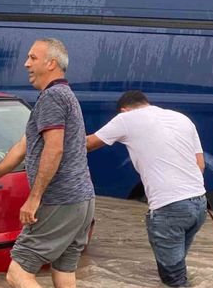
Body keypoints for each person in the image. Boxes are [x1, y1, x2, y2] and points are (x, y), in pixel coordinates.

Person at [0, 39, 95, 288]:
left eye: (33, 58)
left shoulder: (52, 98)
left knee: (18, 274)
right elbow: (21, 148)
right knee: (63, 271)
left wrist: (34, 198)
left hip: (58, 201)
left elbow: (54, 149)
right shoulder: (65, 95)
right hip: (82, 201)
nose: (26, 64)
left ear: (51, 63)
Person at [86, 90, 206, 287]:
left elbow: (88, 144)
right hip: (199, 204)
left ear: (124, 110)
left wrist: (52, 143)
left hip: (169, 208)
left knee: (174, 280)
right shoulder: (182, 118)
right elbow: (200, 164)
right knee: (177, 268)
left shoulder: (126, 119)